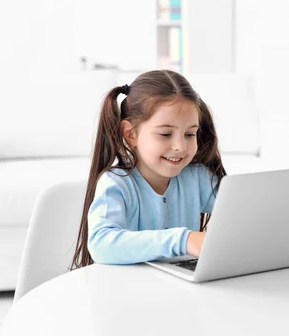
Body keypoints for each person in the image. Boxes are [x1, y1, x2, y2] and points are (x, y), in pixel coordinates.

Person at [70, 70, 226, 269]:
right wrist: (182, 240)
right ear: (131, 134)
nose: (181, 146)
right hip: (131, 292)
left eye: (190, 134)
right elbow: (101, 244)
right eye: (165, 134)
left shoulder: (198, 178)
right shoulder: (117, 183)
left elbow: (241, 213)